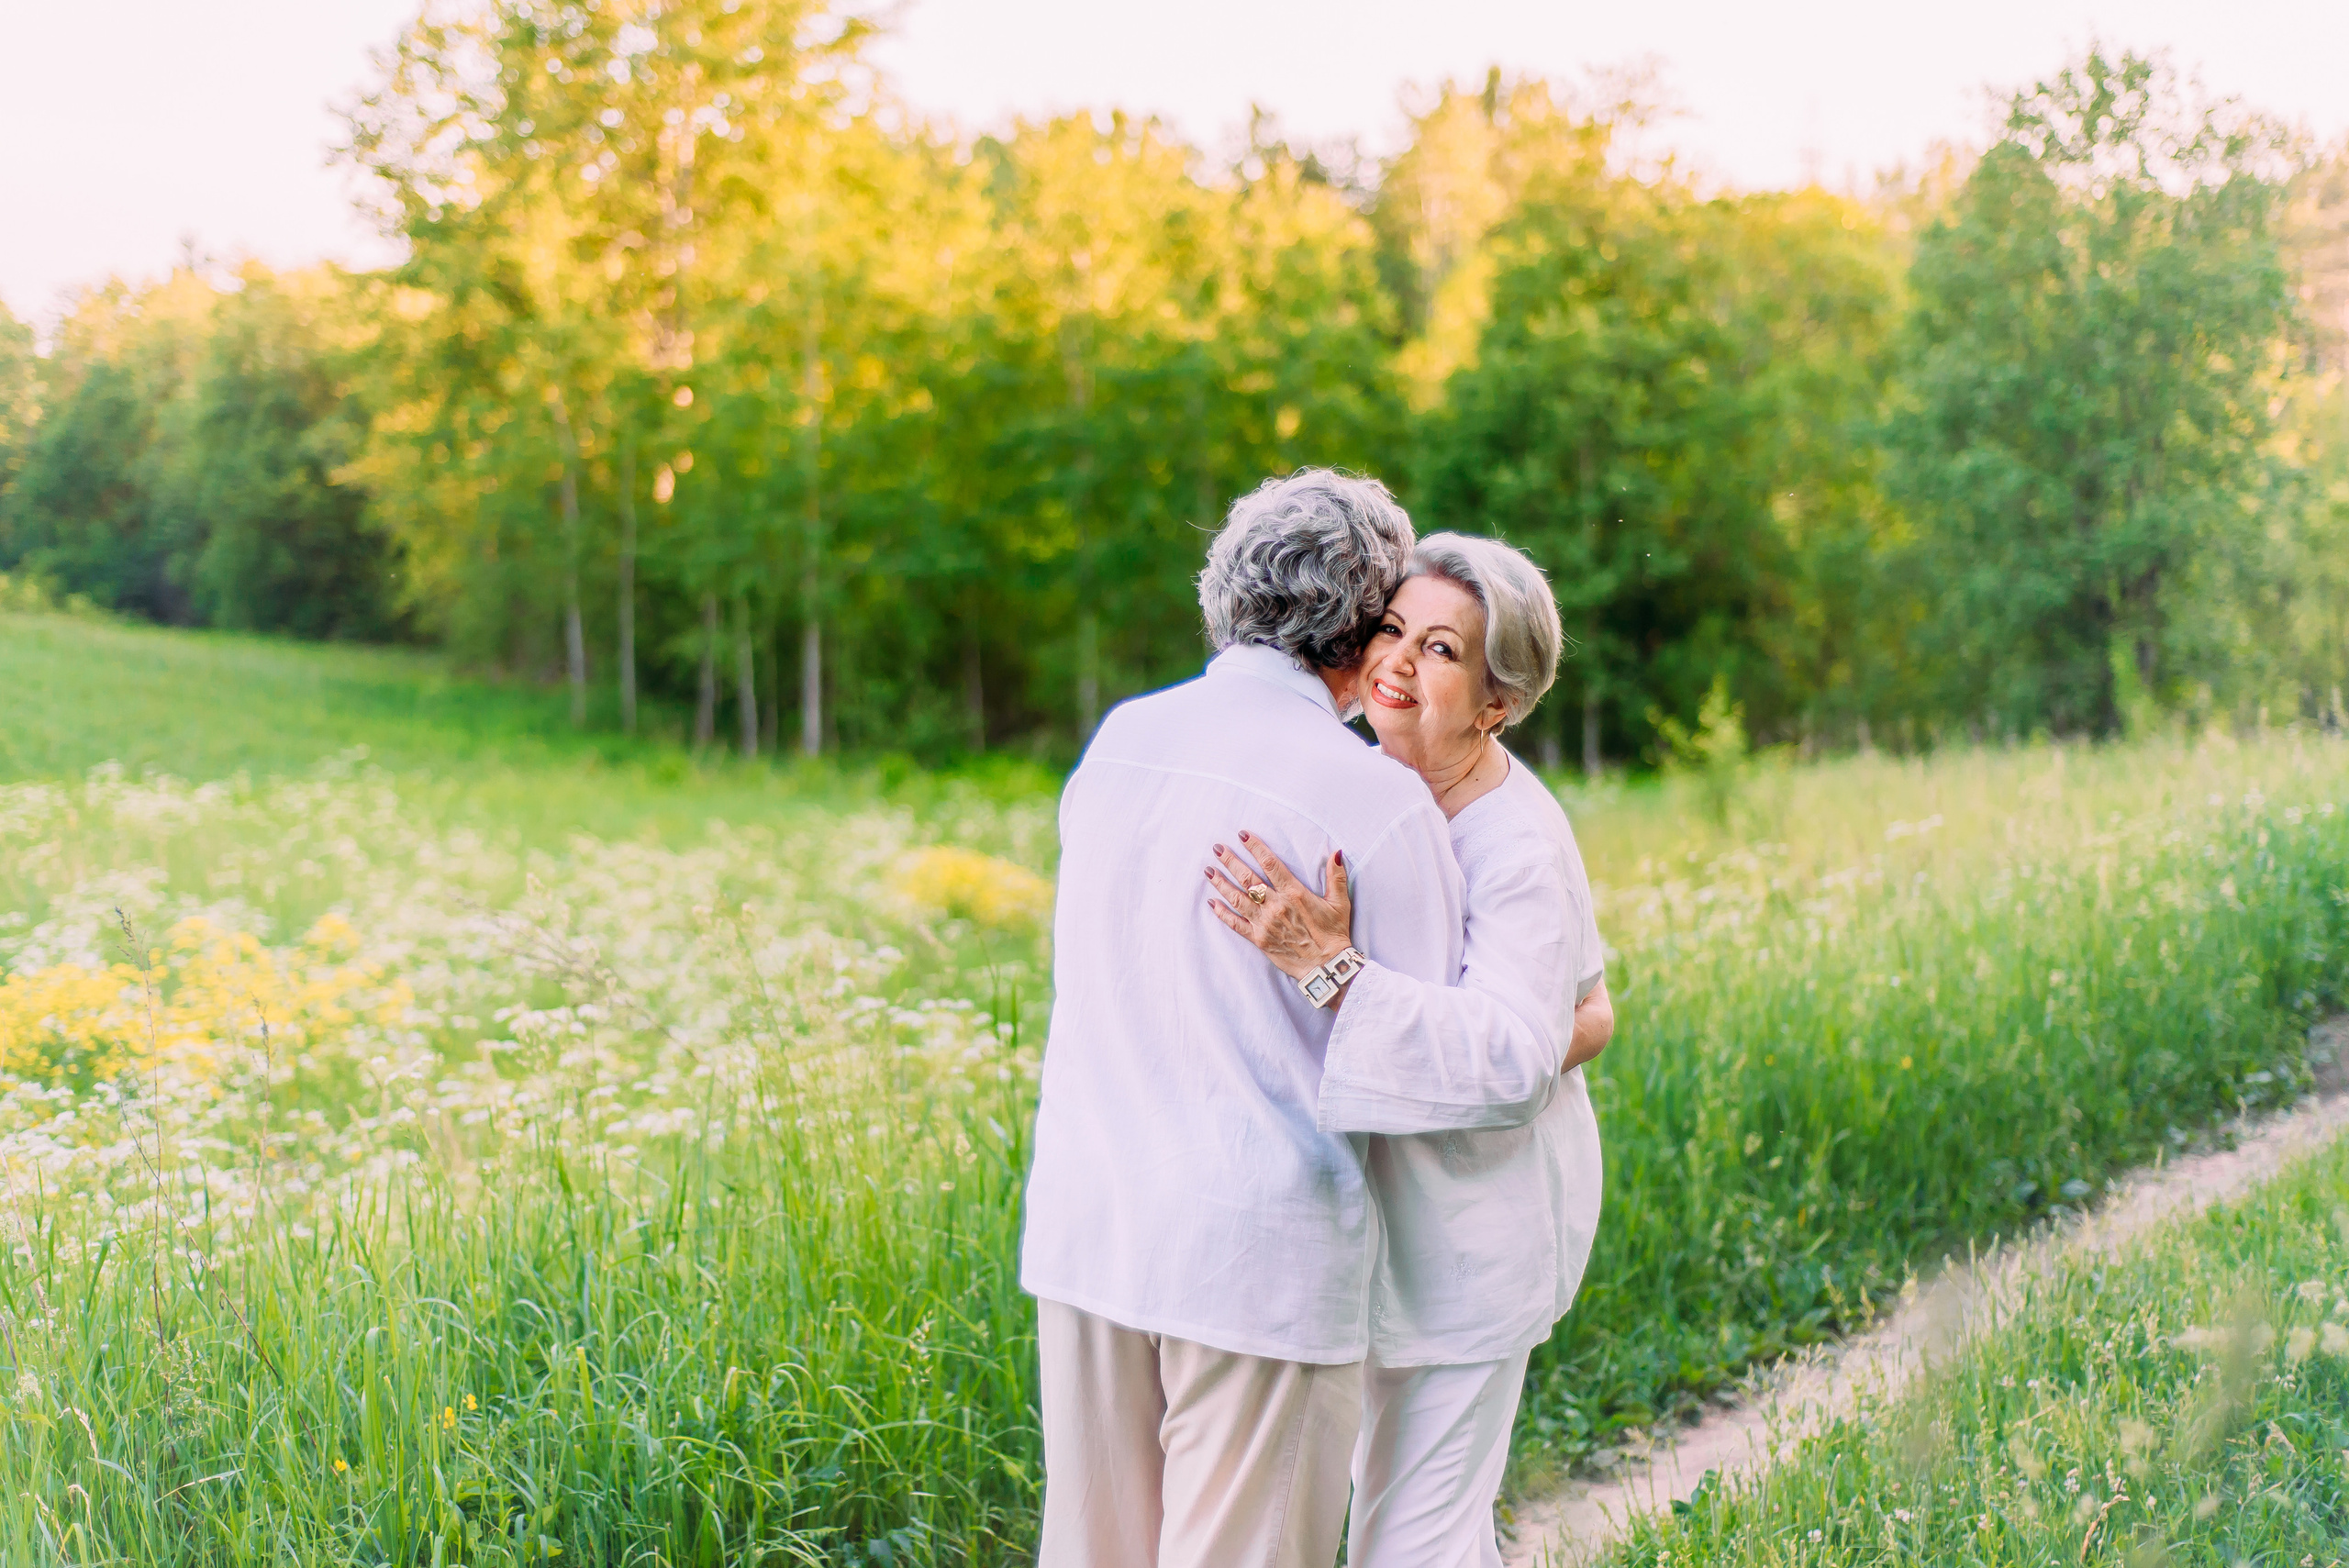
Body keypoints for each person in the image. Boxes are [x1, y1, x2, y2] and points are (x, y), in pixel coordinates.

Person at [1021, 475, 1564, 1568]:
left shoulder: (1120, 740)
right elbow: (1453, 1059)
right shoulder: (1371, 800)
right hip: (1252, 1260)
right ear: (1360, 623)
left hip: (1088, 1228)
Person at [1204, 531, 1614, 1568]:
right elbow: (1593, 1007)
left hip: (1473, 1245)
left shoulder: (1512, 842)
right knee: (1421, 1527)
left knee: (1411, 1541)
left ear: (1495, 703)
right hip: (1372, 1237)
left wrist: (1332, 969)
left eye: (1440, 650)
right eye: (1391, 628)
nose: (1395, 660)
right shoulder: (1365, 784)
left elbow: (1524, 1051)